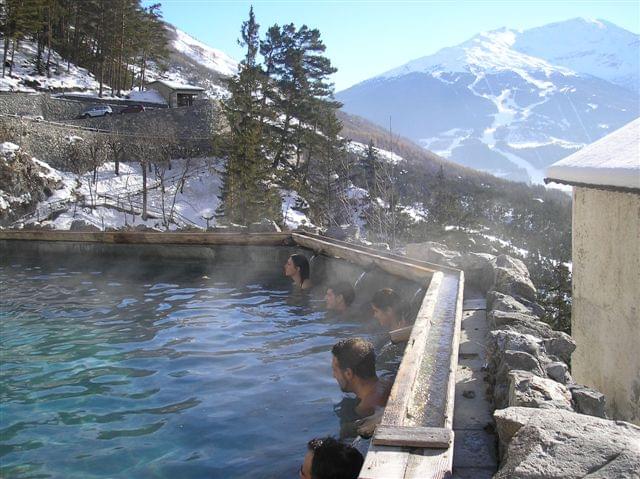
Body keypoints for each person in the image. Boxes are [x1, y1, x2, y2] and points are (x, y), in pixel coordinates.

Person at [331, 338, 390, 418]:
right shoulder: (388, 383)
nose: (334, 376)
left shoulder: (365, 409)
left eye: (335, 370)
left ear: (348, 374)